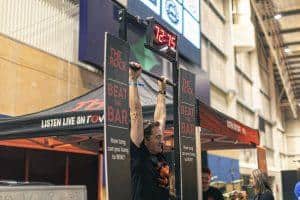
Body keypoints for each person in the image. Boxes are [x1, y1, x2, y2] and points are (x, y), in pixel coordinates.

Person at [129, 62, 170, 200]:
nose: (162, 140)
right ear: (146, 140)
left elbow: (161, 116)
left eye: (161, 136)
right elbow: (136, 112)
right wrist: (133, 79)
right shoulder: (139, 152)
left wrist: (162, 90)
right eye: (158, 137)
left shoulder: (159, 153)